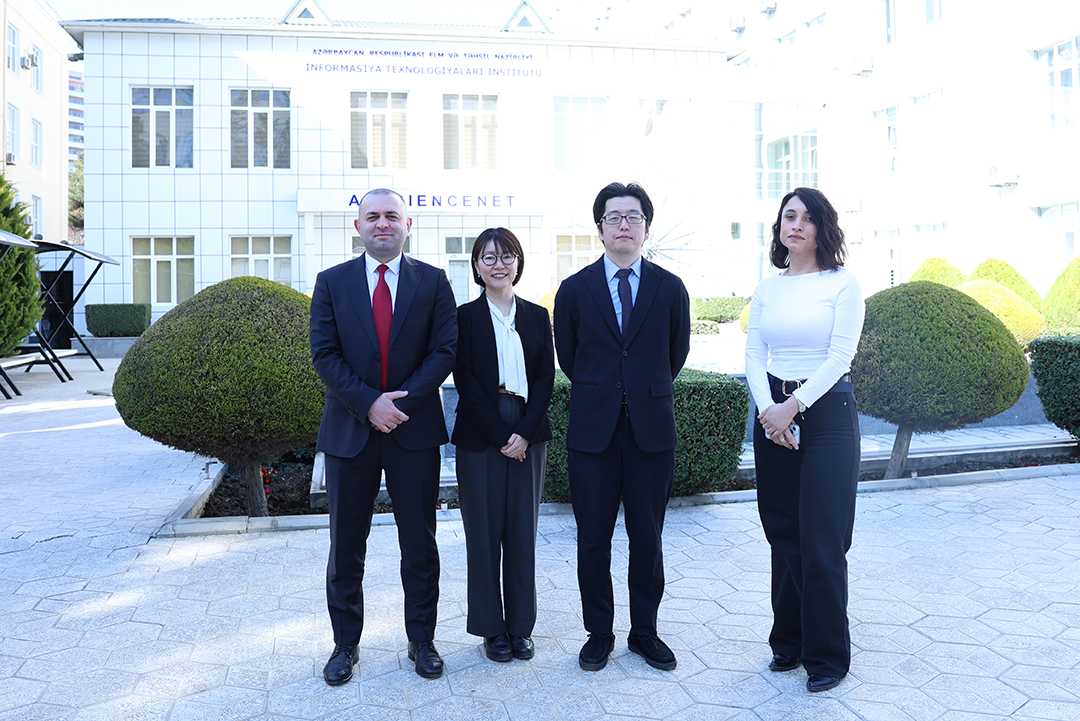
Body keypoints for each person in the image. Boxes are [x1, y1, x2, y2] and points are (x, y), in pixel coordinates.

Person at [309, 188, 457, 685]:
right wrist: (369, 403)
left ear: (408, 224)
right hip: (350, 433)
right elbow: (325, 354)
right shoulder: (331, 282)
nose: (382, 223)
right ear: (358, 227)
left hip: (413, 432)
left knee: (420, 544)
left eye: (392, 215)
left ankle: (422, 640)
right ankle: (344, 645)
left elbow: (444, 351)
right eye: (372, 216)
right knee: (346, 546)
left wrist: (398, 405)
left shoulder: (433, 281)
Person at [553, 181, 691, 672]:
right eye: (614, 217)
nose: (624, 225)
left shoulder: (670, 288)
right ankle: (599, 633)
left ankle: (644, 632)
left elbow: (675, 354)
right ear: (600, 229)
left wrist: (639, 389)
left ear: (646, 228)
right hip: (593, 432)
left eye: (633, 217)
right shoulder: (574, 290)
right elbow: (570, 357)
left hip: (651, 432)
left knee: (647, 537)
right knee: (592, 538)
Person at [745, 186, 864, 694]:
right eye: (788, 216)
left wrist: (791, 408)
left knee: (822, 537)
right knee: (783, 530)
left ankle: (827, 654)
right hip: (773, 409)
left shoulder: (843, 284)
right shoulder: (767, 288)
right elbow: (754, 355)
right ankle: (788, 641)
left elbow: (840, 357)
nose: (796, 225)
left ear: (822, 228)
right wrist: (770, 413)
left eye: (807, 218)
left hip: (827, 411)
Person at [452, 228, 555, 663]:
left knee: (521, 533)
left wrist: (524, 433)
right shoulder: (463, 317)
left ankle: (520, 627)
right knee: (483, 534)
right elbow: (465, 381)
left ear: (518, 262)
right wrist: (501, 436)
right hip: (482, 432)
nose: (499, 264)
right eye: (489, 257)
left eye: (507, 256)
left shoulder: (537, 316)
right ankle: (491, 629)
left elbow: (545, 377)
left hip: (528, 428)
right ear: (477, 266)